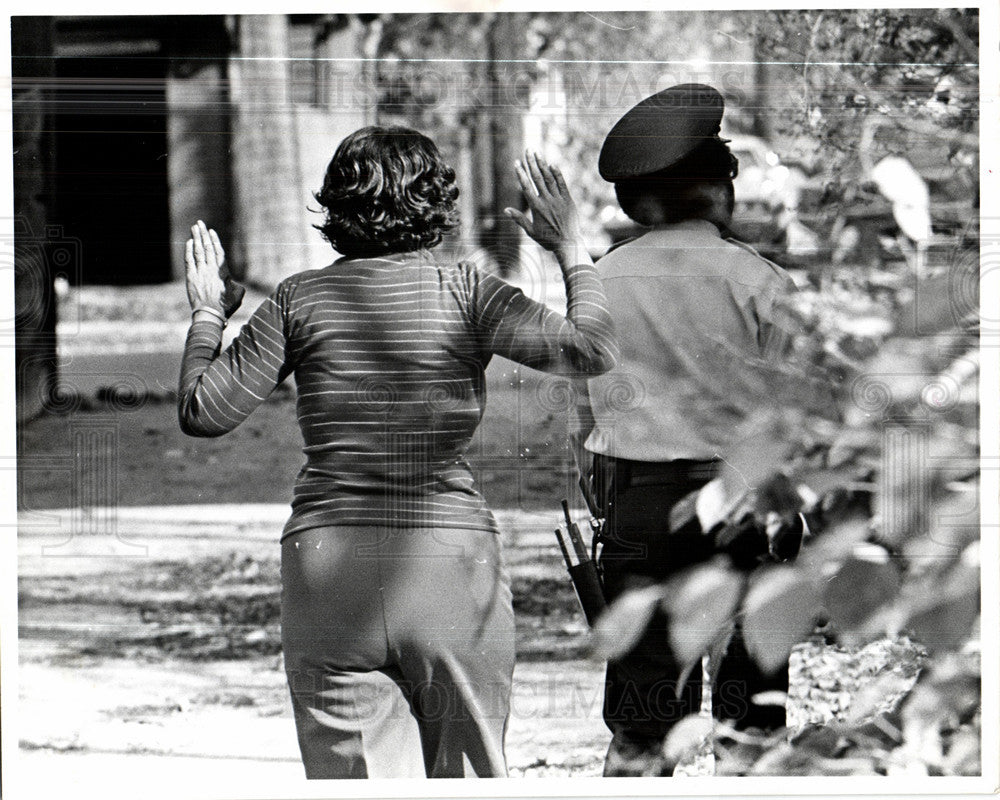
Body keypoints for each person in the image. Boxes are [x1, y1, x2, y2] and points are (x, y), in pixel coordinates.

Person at [178, 127, 617, 778]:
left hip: (329, 569)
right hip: (449, 564)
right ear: (436, 203)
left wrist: (210, 314)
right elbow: (592, 350)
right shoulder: (469, 291)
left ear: (337, 208)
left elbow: (203, 412)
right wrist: (570, 248)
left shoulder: (297, 300)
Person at [573, 84, 800, 776]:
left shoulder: (600, 282)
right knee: (748, 721)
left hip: (637, 508)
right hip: (737, 512)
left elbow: (587, 421)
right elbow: (792, 419)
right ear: (716, 190)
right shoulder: (760, 283)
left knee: (641, 726)